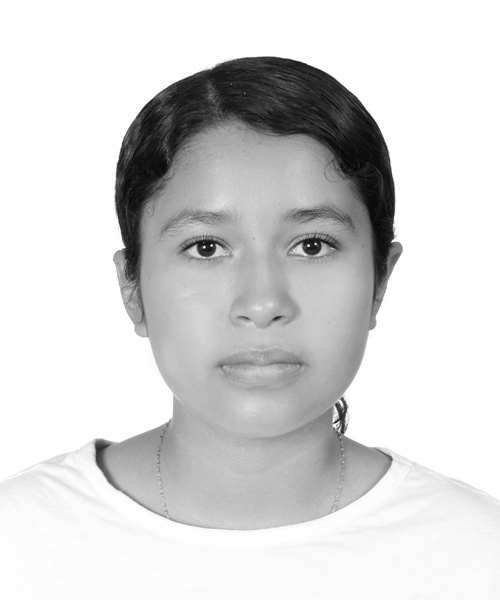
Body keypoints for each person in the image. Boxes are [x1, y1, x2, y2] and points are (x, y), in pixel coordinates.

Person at [1, 56, 499, 599]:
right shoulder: (18, 540)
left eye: (313, 245)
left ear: (380, 279)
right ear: (132, 288)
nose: (262, 304)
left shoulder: (479, 552)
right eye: (206, 248)